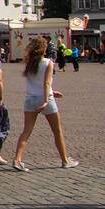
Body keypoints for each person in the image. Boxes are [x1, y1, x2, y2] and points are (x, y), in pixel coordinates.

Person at [12, 37, 80, 171]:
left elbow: (35, 83)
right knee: (57, 131)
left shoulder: (29, 63)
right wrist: (46, 99)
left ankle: (17, 160)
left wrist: (52, 92)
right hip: (45, 99)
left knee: (26, 131)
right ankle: (65, 160)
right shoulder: (48, 62)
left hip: (30, 99)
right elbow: (46, 83)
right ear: (44, 49)